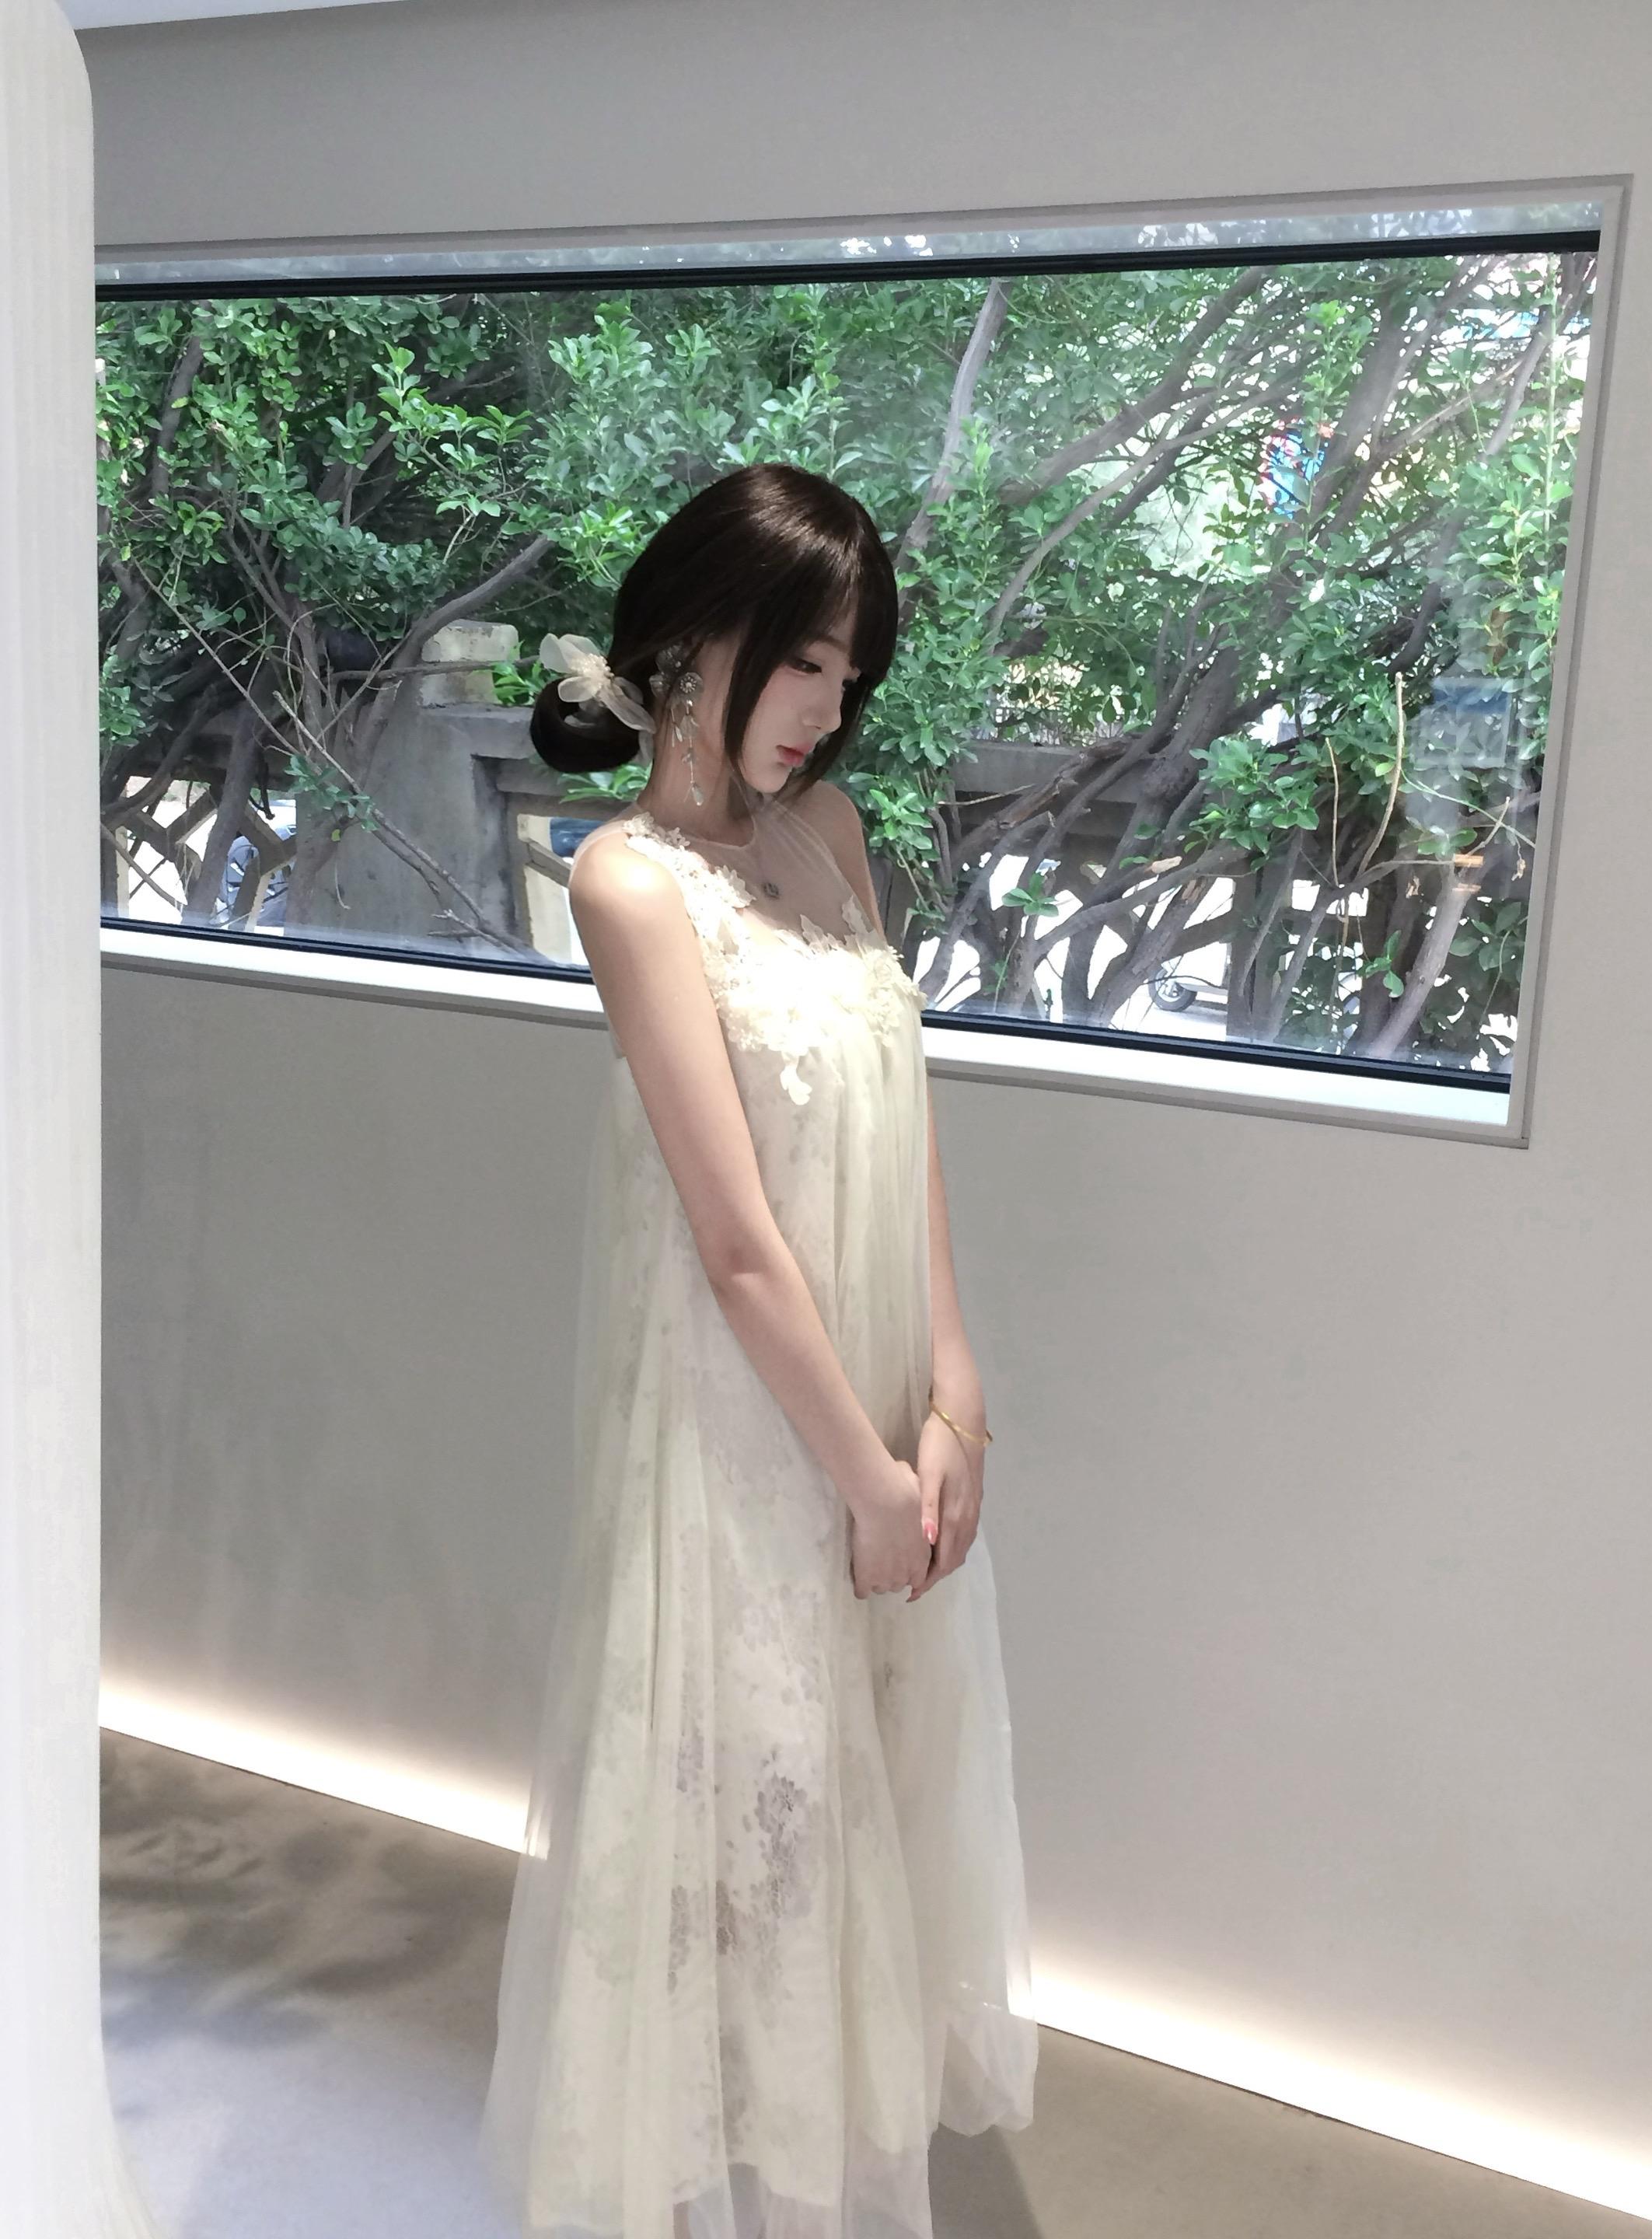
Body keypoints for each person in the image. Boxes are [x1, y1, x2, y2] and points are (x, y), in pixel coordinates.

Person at [477, 463, 1037, 2239]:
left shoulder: (833, 831)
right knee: (751, 1807)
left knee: (873, 1794)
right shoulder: (627, 881)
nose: (822, 705)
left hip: (880, 1393)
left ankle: (830, 2163)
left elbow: (903, 1104)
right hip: (746, 1427)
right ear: (692, 636)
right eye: (801, 660)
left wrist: (953, 1390)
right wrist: (860, 1473)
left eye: (846, 673)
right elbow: (729, 1241)